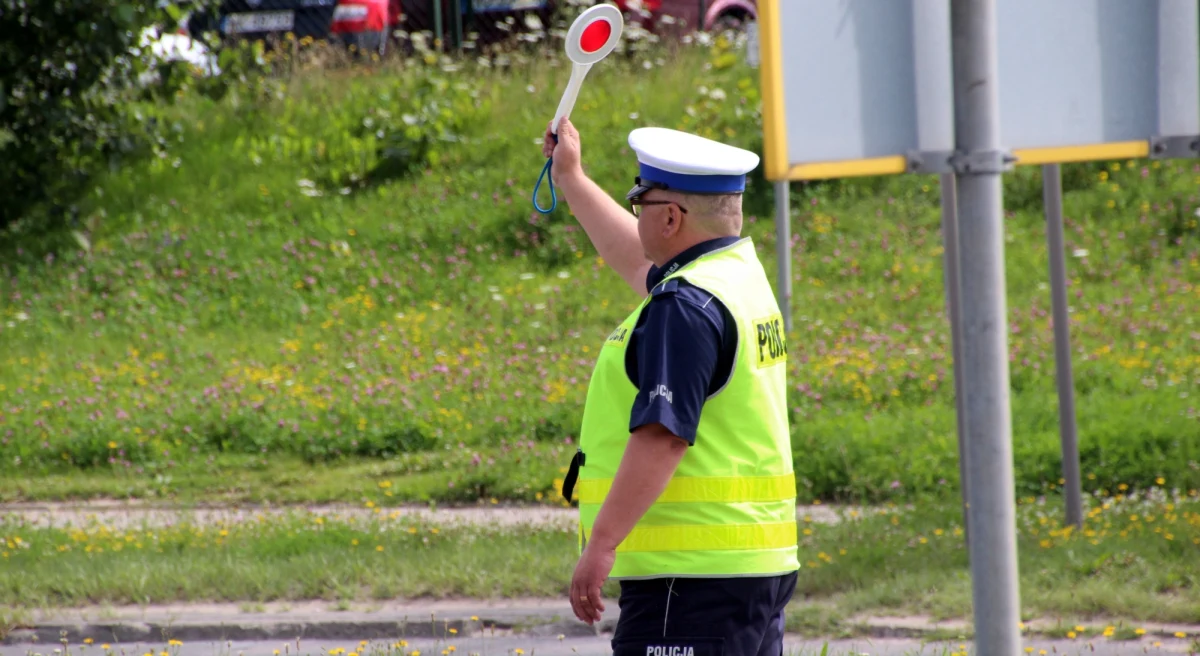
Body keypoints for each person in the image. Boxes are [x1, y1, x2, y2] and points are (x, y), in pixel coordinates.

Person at [544, 116, 799, 656]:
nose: (636, 220)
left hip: (689, 583)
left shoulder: (683, 306)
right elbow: (637, 260)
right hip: (749, 569)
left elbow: (662, 437)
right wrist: (571, 179)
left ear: (670, 218)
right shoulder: (735, 278)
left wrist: (603, 545)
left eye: (641, 207)